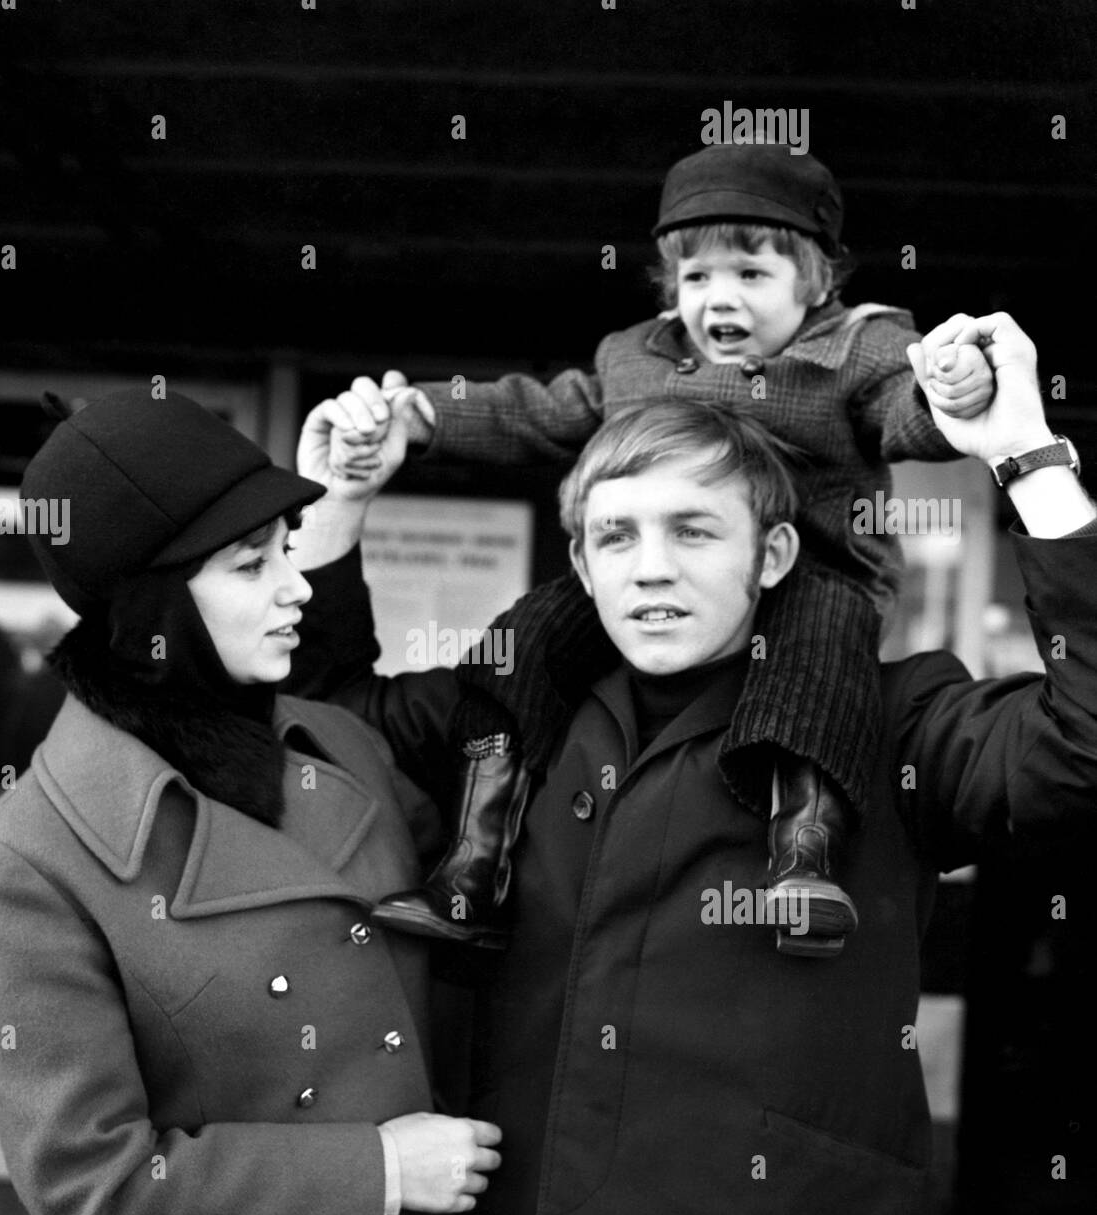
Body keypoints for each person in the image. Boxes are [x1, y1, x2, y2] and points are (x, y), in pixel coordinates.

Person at [286, 313, 1097, 1215]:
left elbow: (1078, 747)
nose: (650, 566)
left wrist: (1023, 453)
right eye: (615, 536)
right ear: (581, 567)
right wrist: (336, 501)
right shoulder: (505, 712)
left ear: (772, 555)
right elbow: (321, 722)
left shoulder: (893, 721)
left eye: (693, 530)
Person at [328, 142, 994, 957]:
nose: (721, 298)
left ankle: (803, 861)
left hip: (814, 571)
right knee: (523, 641)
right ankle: (476, 866)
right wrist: (421, 416)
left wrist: (956, 390)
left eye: (752, 274)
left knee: (816, 658)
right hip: (666, 570)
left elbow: (906, 412)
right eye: (698, 277)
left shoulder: (857, 351)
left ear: (816, 283)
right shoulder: (636, 360)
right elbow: (541, 410)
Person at [0, 388, 500, 1215]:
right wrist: (382, 1173)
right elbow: (94, 1192)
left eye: (287, 550)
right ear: (154, 608)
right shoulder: (26, 862)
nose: (294, 586)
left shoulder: (341, 746)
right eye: (251, 567)